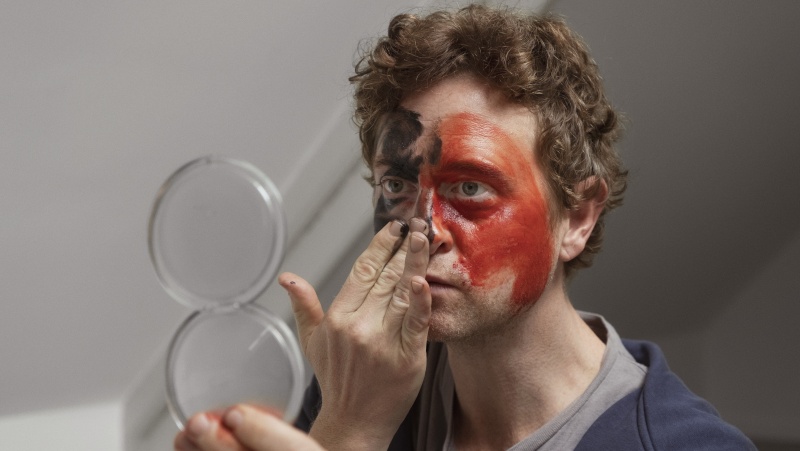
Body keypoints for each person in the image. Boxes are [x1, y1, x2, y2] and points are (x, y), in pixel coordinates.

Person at [175, 5, 755, 450]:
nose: (423, 229)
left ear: (577, 217)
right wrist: (348, 422)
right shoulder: (367, 379)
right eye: (396, 186)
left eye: (471, 188)